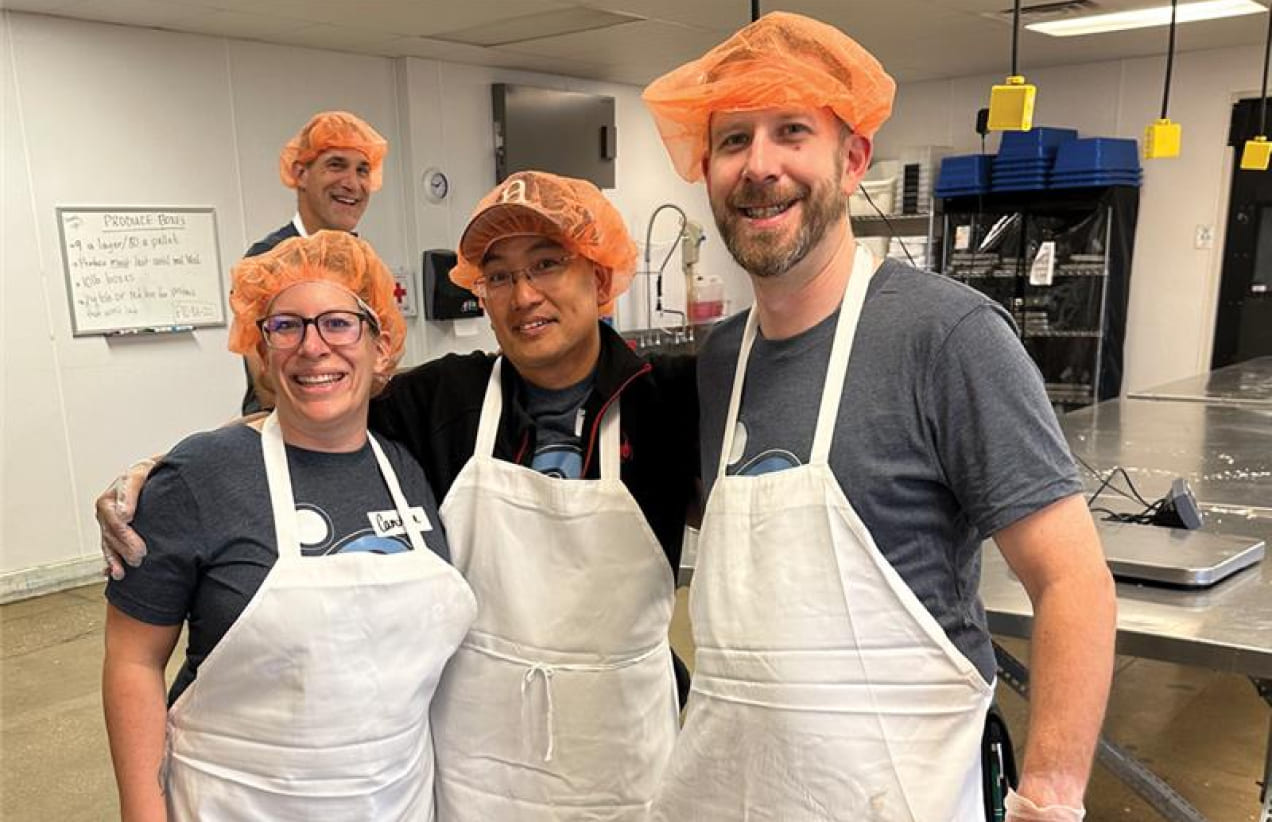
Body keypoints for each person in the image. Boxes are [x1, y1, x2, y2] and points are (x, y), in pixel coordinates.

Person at [98, 171, 699, 821]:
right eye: (498, 276)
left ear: (600, 274)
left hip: (621, 752)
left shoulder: (672, 401)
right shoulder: (444, 400)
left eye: (548, 264)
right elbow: (321, 402)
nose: (524, 294)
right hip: (478, 761)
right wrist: (161, 470)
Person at [642, 12, 1116, 822]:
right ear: (705, 168)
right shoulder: (724, 358)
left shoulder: (949, 337)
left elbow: (1073, 582)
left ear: (852, 156)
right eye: (732, 140)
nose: (760, 167)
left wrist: (1051, 798)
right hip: (736, 796)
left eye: (791, 131)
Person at [101, 231, 475, 820]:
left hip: (397, 800)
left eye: (338, 323)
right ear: (263, 349)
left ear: (381, 346)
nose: (313, 346)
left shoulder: (410, 466)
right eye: (286, 326)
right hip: (238, 802)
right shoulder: (199, 477)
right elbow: (132, 660)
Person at [241, 110, 388, 413]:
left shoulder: (362, 261)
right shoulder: (269, 261)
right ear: (300, 173)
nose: (353, 183)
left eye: (363, 170)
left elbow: (379, 362)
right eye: (336, 165)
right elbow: (267, 382)